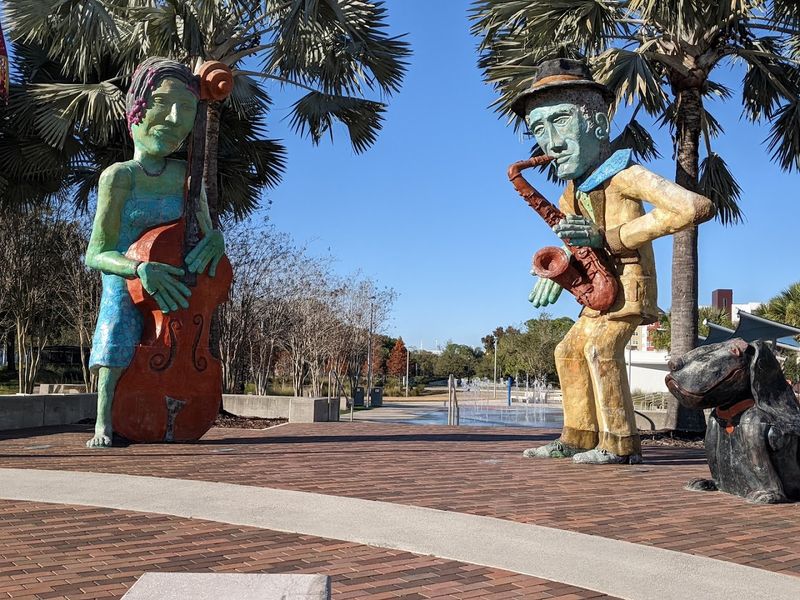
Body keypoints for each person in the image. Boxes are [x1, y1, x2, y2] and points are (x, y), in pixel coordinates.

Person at [515, 58, 715, 464]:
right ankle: (578, 436)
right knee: (567, 352)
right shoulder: (570, 194)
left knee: (601, 350)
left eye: (560, 122)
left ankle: (620, 444)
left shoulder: (627, 174)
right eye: (539, 129)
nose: (550, 142)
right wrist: (561, 272)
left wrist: (612, 237)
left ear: (599, 125)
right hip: (597, 291)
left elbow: (693, 206)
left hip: (629, 287)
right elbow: (578, 247)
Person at [85, 57, 225, 448]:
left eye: (187, 109)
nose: (175, 118)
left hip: (176, 288)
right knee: (118, 323)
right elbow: (95, 253)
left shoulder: (186, 177)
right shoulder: (119, 177)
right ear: (137, 108)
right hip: (128, 277)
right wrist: (138, 269)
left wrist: (216, 241)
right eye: (164, 104)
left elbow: (207, 231)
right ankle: (103, 421)